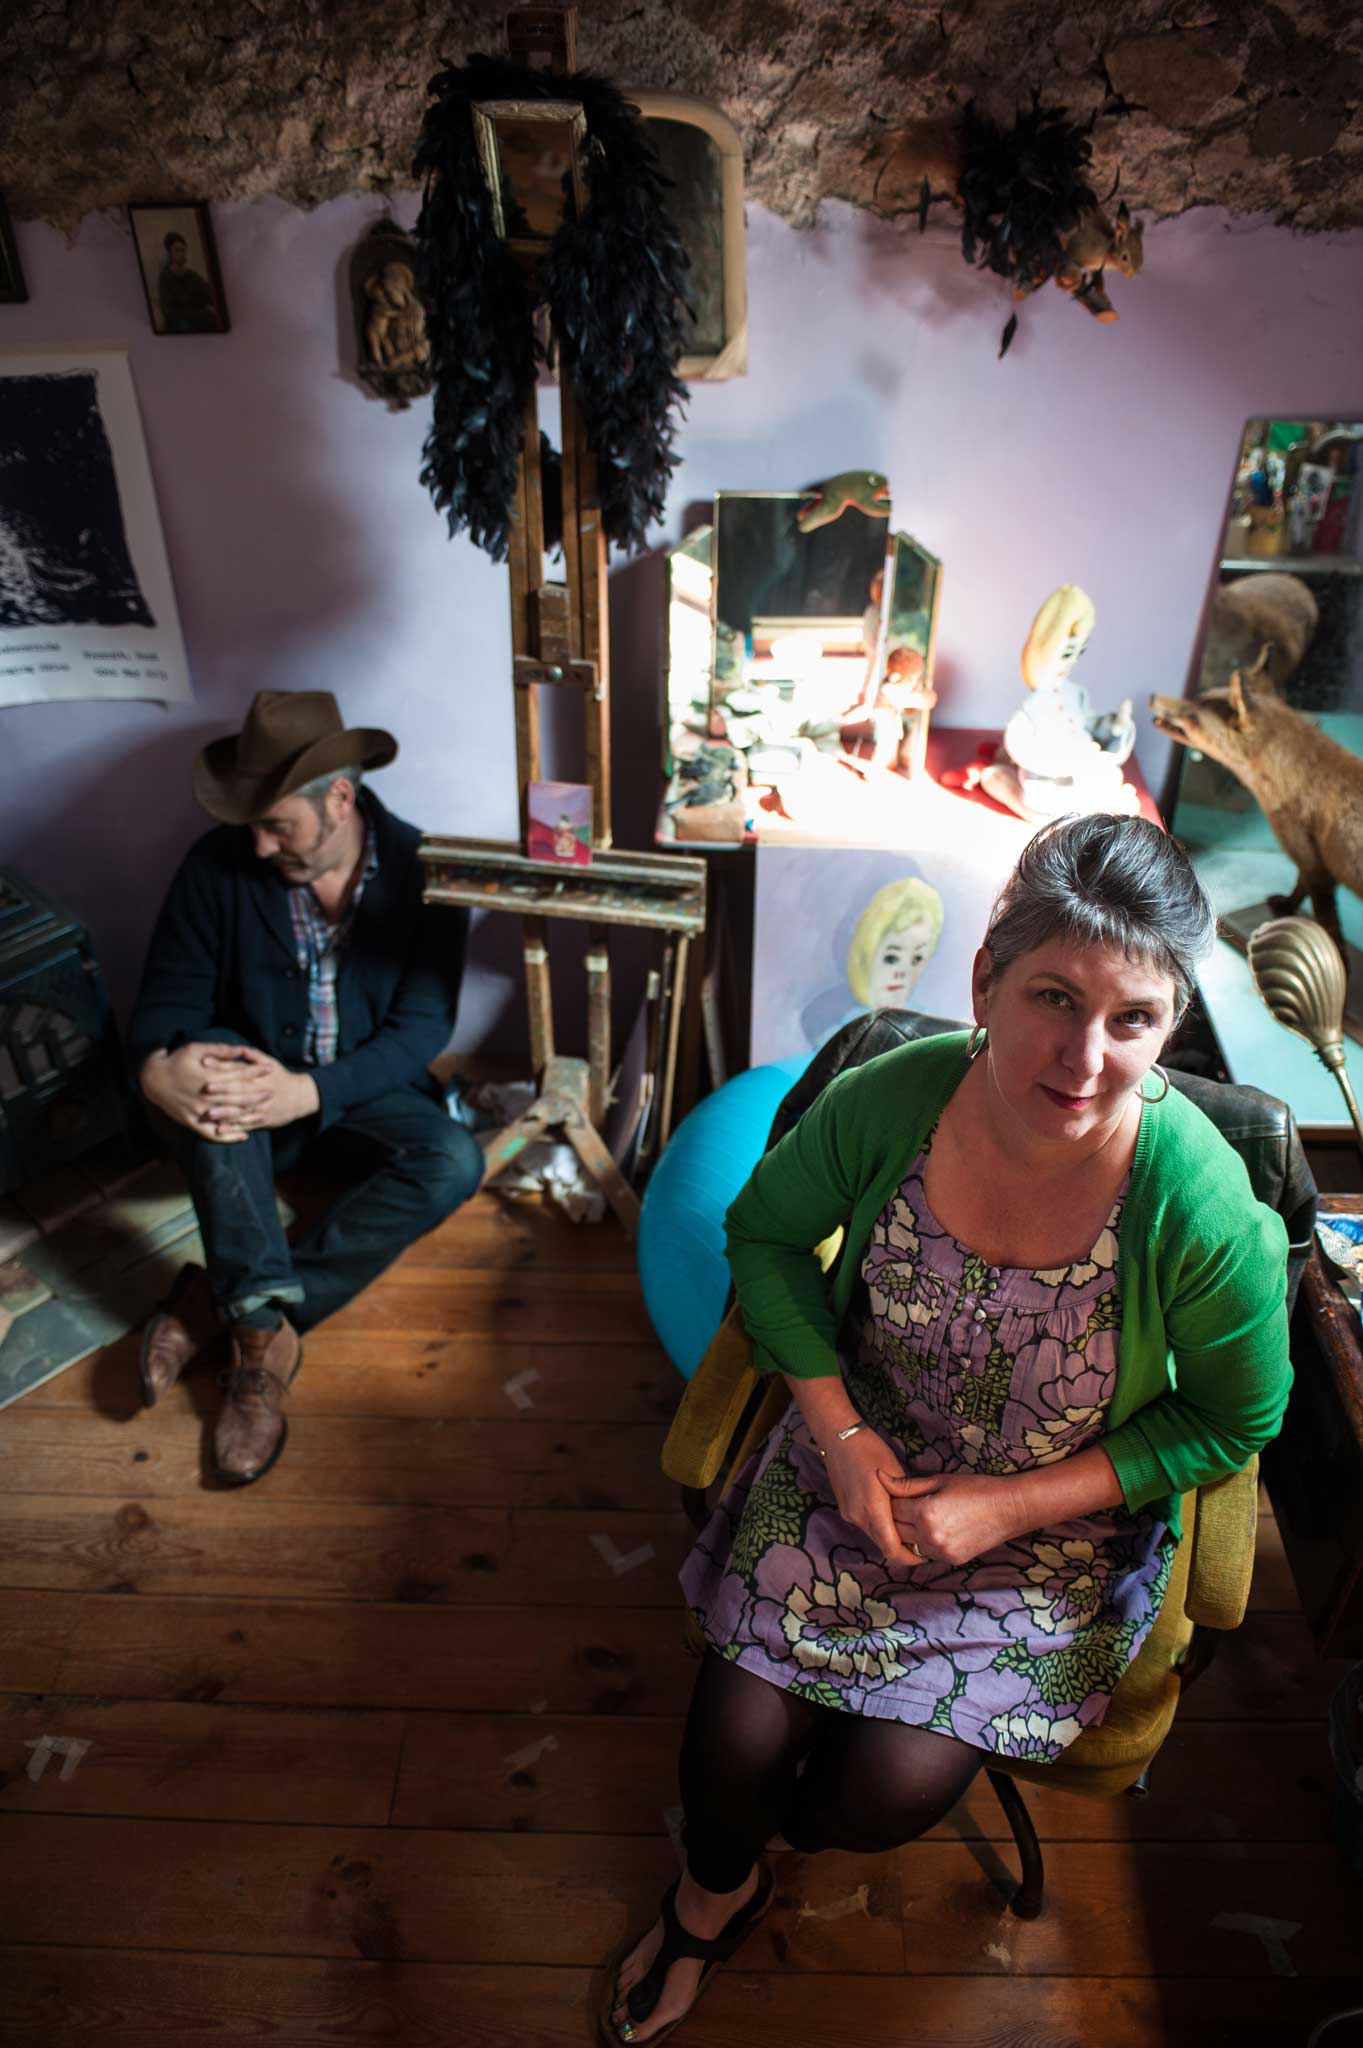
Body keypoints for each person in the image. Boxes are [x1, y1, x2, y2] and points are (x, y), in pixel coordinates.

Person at [600, 813, 1291, 2044]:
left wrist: (1008, 1504)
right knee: (727, 1743)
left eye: (1130, 1018)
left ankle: (785, 1834)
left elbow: (1242, 1412)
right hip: (854, 1456)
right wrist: (843, 1434)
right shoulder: (893, 1101)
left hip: (1051, 1524)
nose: (1084, 1057)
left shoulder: (1198, 1202)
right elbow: (761, 1232)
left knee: (873, 1796)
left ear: (1169, 1023)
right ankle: (714, 1891)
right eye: (1052, 996)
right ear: (983, 977)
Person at [127, 689, 481, 1486]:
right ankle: (258, 1342)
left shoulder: (426, 874)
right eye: (249, 824)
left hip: (353, 1087)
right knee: (217, 1083)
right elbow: (167, 1003)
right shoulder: (215, 867)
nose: (257, 846)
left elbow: (421, 1031)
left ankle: (223, 1302)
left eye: (276, 825)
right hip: (249, 1081)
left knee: (454, 1162)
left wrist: (311, 1093)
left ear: (341, 799)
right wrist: (158, 1066)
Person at [157, 232, 219, 334]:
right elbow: (170, 311)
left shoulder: (192, 275)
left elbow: (208, 292)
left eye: (183, 250)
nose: (181, 254)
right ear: (170, 253)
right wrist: (200, 313)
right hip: (178, 323)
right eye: (177, 250)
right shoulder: (165, 278)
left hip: (198, 318)